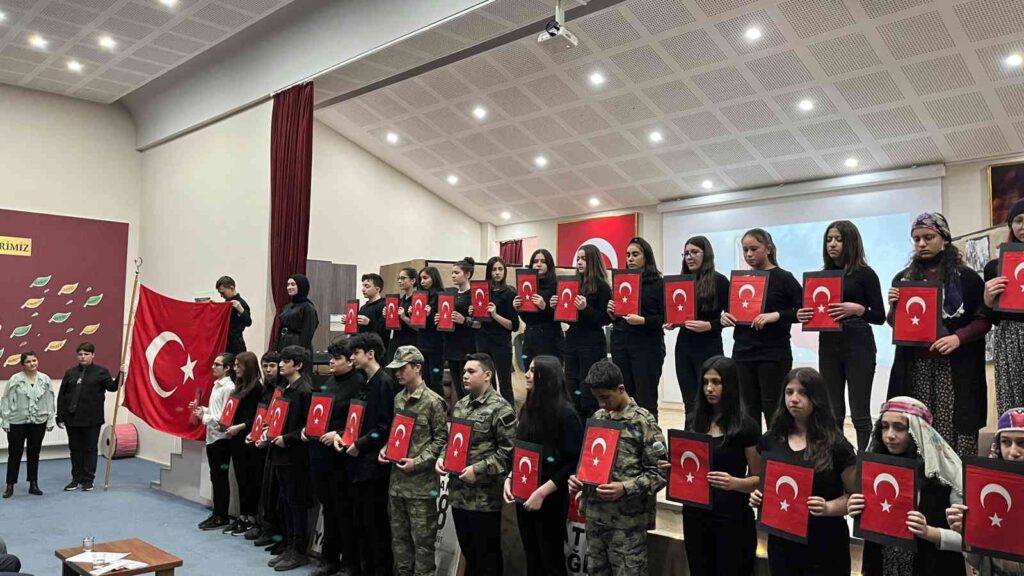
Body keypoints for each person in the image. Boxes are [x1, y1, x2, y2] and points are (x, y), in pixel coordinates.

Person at [887, 212, 989, 458]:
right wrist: (893, 308)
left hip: (956, 369)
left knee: (955, 429)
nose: (921, 244)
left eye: (928, 237)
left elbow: (984, 320)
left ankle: (956, 480)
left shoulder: (967, 279)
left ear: (944, 238)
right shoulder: (904, 279)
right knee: (917, 426)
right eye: (916, 239)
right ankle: (922, 478)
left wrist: (957, 338)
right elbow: (896, 325)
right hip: (916, 367)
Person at [749, 367, 856, 576]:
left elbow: (856, 496)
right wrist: (758, 496)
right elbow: (762, 482)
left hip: (824, 544)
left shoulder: (837, 445)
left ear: (817, 398)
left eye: (803, 393)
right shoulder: (771, 440)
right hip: (782, 543)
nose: (794, 399)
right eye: (789, 392)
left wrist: (828, 507)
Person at [568, 359, 667, 576]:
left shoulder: (643, 422)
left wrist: (625, 488)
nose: (601, 404)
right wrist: (579, 479)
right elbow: (590, 463)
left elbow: (660, 473)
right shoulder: (598, 418)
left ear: (621, 389)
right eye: (597, 398)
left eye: (605, 397)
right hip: (595, 519)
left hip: (626, 525)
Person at [848, 397, 965, 576]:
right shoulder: (874, 471)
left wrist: (929, 532)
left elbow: (968, 542)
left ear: (919, 431)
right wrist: (857, 510)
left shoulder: (946, 475)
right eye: (884, 426)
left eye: (899, 427)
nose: (890, 435)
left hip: (931, 566)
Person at [796, 221, 885, 451]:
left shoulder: (865, 274)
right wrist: (803, 314)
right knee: (833, 412)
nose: (832, 244)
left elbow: (880, 316)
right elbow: (813, 312)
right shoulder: (821, 277)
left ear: (851, 242)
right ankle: (837, 458)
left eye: (838, 239)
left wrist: (858, 310)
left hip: (859, 346)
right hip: (829, 346)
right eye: (828, 240)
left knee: (860, 414)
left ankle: (864, 461)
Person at [678, 356, 760, 576]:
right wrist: (673, 468)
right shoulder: (693, 420)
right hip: (695, 514)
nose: (709, 388)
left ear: (730, 384)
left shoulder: (746, 426)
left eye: (716, 382)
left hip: (730, 516)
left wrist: (735, 483)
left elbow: (759, 478)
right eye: (705, 382)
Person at [436, 353, 516, 575]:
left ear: (487, 375)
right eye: (464, 372)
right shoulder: (461, 405)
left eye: (471, 371)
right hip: (459, 495)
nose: (465, 376)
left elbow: (509, 453)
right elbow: (452, 441)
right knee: (470, 556)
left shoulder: (501, 409)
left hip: (484, 500)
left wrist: (477, 470)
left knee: (487, 560)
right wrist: (443, 457)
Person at [503, 355, 583, 576]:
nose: (527, 375)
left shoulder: (566, 415)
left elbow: (573, 462)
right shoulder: (527, 409)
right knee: (532, 557)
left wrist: (542, 492)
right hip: (524, 492)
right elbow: (520, 450)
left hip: (550, 497)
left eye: (532, 371)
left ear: (546, 377)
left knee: (551, 560)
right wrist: (511, 477)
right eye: (528, 370)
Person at [721, 228, 802, 431]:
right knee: (747, 412)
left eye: (754, 249)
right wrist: (724, 316)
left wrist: (776, 315)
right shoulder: (742, 280)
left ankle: (776, 449)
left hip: (773, 354)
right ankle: (753, 451)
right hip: (743, 353)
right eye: (745, 250)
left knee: (774, 410)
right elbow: (730, 310)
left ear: (768, 249)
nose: (748, 254)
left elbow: (804, 311)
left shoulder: (784, 278)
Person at [378, 346, 448, 576]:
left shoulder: (433, 401)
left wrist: (417, 461)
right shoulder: (398, 398)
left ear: (417, 367)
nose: (397, 373)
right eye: (395, 369)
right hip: (397, 484)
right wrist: (386, 449)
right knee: (399, 542)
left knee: (423, 546)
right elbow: (396, 433)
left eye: (402, 368)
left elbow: (441, 440)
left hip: (420, 488)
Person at [304, 338, 364, 576]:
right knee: (329, 509)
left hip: (342, 457)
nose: (331, 362)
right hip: (321, 455)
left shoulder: (358, 384)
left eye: (337, 358)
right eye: (330, 358)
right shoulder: (329, 382)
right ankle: (329, 559)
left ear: (351, 361)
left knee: (344, 511)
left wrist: (337, 433)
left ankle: (349, 563)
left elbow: (357, 421)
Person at [343, 333, 399, 576]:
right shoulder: (363, 381)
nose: (352, 358)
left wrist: (360, 444)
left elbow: (384, 427)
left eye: (356, 353)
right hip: (357, 461)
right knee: (360, 522)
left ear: (370, 354)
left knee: (375, 524)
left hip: (373, 464)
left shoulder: (384, 382)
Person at [946, 407, 1024, 576]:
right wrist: (967, 532)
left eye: (1022, 443)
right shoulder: (987, 490)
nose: (1013, 452)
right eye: (1006, 442)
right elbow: (978, 561)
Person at [664, 236, 729, 416]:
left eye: (694, 252)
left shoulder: (720, 281)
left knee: (710, 401)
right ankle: (691, 433)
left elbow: (732, 316)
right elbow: (675, 311)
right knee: (690, 402)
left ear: (706, 254)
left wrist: (710, 325)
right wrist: (672, 322)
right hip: (684, 347)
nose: (689, 257)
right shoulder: (680, 282)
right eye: (686, 253)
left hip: (709, 347)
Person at [606, 236, 666, 420]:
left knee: (646, 400)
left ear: (646, 256)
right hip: (621, 343)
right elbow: (618, 317)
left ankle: (649, 436)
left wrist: (643, 321)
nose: (630, 259)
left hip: (647, 345)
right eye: (628, 255)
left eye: (635, 254)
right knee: (625, 399)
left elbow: (665, 317)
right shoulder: (621, 281)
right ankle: (628, 436)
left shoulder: (658, 283)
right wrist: (611, 312)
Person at [266, 345, 313, 572]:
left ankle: (299, 551)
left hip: (295, 456)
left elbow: (309, 427)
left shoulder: (305, 391)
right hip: (280, 453)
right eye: (281, 360)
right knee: (285, 502)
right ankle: (289, 544)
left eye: (286, 361)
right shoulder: (284, 389)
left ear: (299, 365)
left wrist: (287, 438)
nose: (281, 364)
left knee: (296, 504)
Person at [555, 244, 611, 419]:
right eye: (578, 258)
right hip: (572, 341)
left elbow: (605, 319)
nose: (579, 262)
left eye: (584, 259)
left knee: (588, 392)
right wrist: (558, 307)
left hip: (591, 343)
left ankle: (591, 429)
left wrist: (586, 308)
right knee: (571, 390)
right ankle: (575, 429)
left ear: (593, 261)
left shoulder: (602, 287)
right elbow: (569, 318)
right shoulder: (573, 285)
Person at [56, 342, 119, 492]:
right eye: (80, 354)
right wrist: (60, 415)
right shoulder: (70, 373)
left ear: (93, 355)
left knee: (90, 449)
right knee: (75, 449)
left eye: (86, 354)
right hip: (72, 418)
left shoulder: (101, 372)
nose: (83, 357)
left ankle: (88, 480)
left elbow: (112, 387)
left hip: (92, 419)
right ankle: (76, 479)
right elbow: (62, 395)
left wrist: (121, 375)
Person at [982, 199, 1024, 415]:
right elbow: (992, 319)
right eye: (1018, 220)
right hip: (1009, 338)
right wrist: (988, 300)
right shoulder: (995, 267)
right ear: (1010, 225)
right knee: (1013, 403)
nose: (1023, 226)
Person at [191, 352, 236, 531]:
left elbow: (225, 417)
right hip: (212, 438)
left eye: (217, 364)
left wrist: (204, 417)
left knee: (220, 478)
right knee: (215, 477)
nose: (213, 367)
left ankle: (222, 516)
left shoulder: (228, 388)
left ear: (227, 368)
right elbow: (215, 410)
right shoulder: (217, 385)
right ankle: (217, 513)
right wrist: (203, 409)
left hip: (221, 439)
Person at [1, 351, 55, 498]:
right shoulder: (15, 379)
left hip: (38, 421)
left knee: (34, 453)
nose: (32, 364)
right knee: (15, 453)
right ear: (23, 364)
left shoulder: (45, 379)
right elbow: (6, 400)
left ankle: (33, 483)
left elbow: (50, 400)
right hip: (17, 421)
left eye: (34, 360)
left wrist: (51, 419)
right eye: (28, 362)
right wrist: (5, 420)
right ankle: (10, 485)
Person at [249, 352, 287, 555]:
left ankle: (274, 531)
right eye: (265, 366)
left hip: (277, 444)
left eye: (272, 365)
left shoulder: (282, 389)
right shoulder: (266, 389)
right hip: (261, 441)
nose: (268, 370)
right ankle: (264, 525)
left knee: (275, 493)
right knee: (263, 489)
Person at [226, 352, 267, 536]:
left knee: (250, 480)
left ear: (247, 367)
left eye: (238, 365)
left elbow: (257, 417)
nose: (235, 368)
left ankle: (251, 517)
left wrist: (240, 426)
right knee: (241, 479)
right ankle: (242, 516)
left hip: (248, 439)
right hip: (236, 438)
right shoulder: (239, 386)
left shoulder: (257, 388)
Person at [472, 257, 519, 407]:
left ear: (505, 271)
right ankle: (487, 413)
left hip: (501, 343)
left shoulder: (510, 292)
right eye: (494, 270)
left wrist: (495, 315)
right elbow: (477, 323)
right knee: (486, 382)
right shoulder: (483, 291)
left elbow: (514, 326)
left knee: (505, 384)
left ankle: (509, 415)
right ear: (489, 272)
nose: (497, 273)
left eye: (500, 269)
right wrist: (474, 312)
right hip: (482, 340)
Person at [515, 248, 564, 369]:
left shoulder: (557, 285)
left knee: (549, 375)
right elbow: (527, 318)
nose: (538, 264)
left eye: (543, 261)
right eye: (535, 261)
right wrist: (518, 308)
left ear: (549, 265)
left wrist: (544, 307)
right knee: (529, 373)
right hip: (530, 336)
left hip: (551, 338)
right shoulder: (526, 284)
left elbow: (563, 315)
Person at [443, 258, 481, 401]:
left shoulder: (474, 294)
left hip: (467, 346)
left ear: (467, 274)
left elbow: (479, 324)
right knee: (458, 389)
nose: (453, 275)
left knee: (467, 387)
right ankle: (461, 413)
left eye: (456, 272)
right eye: (452, 273)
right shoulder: (451, 294)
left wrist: (464, 320)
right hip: (451, 344)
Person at [412, 266, 445, 396]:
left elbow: (442, 322)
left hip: (436, 344)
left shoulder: (440, 296)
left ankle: (439, 406)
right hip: (422, 342)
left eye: (425, 278)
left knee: (435, 380)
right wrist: (412, 314)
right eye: (420, 279)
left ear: (434, 278)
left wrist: (430, 314)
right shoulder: (419, 296)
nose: (422, 281)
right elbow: (417, 324)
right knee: (423, 379)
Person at [276, 274, 319, 371]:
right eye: (288, 285)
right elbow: (282, 328)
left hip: (298, 344)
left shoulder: (308, 307)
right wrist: (277, 345)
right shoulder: (287, 306)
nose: (289, 287)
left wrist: (300, 352)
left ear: (301, 286)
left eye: (293, 284)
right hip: (284, 342)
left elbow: (308, 332)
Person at [386, 267, 419, 365]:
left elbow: (417, 328)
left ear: (413, 281)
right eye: (399, 278)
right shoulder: (401, 300)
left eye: (403, 278)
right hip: (397, 341)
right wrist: (387, 315)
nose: (400, 281)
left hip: (410, 344)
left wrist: (404, 317)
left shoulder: (417, 300)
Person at [217, 275, 252, 354]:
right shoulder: (226, 303)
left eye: (223, 292)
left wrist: (241, 310)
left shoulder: (242, 303)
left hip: (236, 345)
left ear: (232, 288)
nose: (221, 296)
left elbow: (248, 322)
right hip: (225, 343)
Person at [358, 273, 390, 350]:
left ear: (377, 289)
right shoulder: (363, 308)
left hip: (380, 349)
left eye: (367, 286)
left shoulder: (385, 306)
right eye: (363, 286)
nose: (363, 289)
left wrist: (369, 323)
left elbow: (385, 331)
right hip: (364, 348)